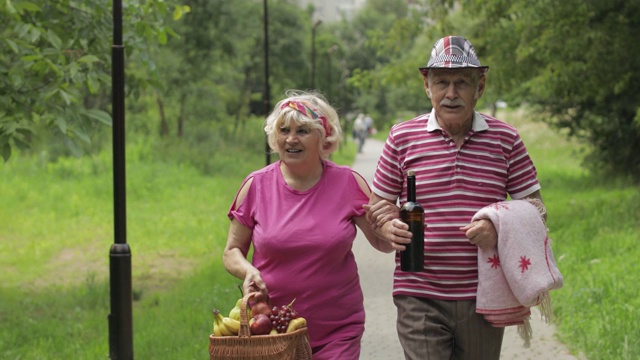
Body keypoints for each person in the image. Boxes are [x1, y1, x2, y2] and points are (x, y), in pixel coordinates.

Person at [364, 35, 545, 360]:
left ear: (480, 86)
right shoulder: (402, 137)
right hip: (418, 291)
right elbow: (378, 206)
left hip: (485, 292)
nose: (451, 93)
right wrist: (389, 226)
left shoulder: (506, 139)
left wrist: (500, 228)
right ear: (427, 85)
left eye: (462, 82)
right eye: (442, 82)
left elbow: (536, 209)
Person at [222, 90, 394, 360]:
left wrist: (395, 225)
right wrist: (248, 271)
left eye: (302, 130)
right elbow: (231, 251)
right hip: (273, 330)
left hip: (339, 329)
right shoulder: (256, 185)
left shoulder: (348, 183)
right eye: (284, 130)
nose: (291, 138)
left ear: (323, 137)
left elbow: (382, 243)